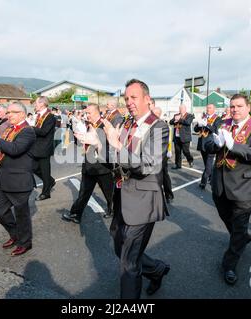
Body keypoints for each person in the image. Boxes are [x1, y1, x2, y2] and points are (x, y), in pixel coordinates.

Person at [87, 79, 170, 299]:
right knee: (118, 246)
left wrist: (117, 145)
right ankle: (156, 269)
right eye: (126, 98)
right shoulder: (126, 123)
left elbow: (148, 165)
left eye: (134, 97)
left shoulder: (158, 126)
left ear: (147, 99)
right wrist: (97, 145)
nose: (129, 102)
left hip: (143, 200)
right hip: (122, 196)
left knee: (129, 262)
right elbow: (115, 159)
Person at [205, 94, 251, 285]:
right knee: (228, 219)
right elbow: (207, 144)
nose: (235, 110)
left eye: (239, 106)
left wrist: (234, 145)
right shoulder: (222, 123)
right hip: (220, 183)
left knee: (240, 224)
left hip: (244, 185)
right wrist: (215, 143)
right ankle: (241, 238)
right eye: (232, 106)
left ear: (248, 108)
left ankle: (230, 264)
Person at [0, 102, 37, 256]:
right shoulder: (10, 129)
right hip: (4, 178)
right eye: (8, 112)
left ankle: (25, 242)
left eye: (13, 112)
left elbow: (14, 149)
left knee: (22, 215)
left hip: (18, 180)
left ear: (23, 114)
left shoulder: (28, 131)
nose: (9, 115)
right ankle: (15, 234)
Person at [62, 103, 114, 223]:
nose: (87, 115)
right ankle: (75, 214)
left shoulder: (105, 125)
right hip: (89, 164)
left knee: (109, 192)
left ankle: (114, 211)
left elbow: (110, 147)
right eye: (86, 113)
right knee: (84, 192)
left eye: (89, 113)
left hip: (102, 166)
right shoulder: (91, 125)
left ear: (96, 112)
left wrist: (96, 143)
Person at [33, 96, 56, 201]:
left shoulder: (50, 117)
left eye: (36, 103)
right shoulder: (38, 116)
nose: (35, 105)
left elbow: (44, 132)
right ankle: (50, 181)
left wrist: (30, 128)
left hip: (44, 148)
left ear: (42, 104)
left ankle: (46, 193)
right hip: (36, 147)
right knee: (33, 167)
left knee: (45, 171)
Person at [194, 104, 222, 190]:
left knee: (208, 165)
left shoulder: (217, 118)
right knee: (206, 163)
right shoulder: (204, 117)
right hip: (202, 143)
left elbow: (215, 130)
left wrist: (207, 124)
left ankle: (203, 182)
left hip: (210, 143)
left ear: (214, 109)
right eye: (207, 108)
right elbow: (195, 129)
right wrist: (199, 125)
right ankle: (211, 177)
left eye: (209, 108)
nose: (207, 109)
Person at [151, 106, 174, 203]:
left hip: (162, 154)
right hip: (151, 154)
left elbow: (169, 139)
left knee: (164, 175)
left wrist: (169, 150)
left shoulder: (162, 124)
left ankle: (168, 194)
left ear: (158, 114)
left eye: (154, 113)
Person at [170, 104, 195, 169]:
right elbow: (170, 122)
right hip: (176, 136)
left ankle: (190, 160)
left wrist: (180, 119)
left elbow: (188, 122)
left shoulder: (189, 115)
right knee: (177, 152)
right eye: (179, 108)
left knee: (185, 151)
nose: (180, 110)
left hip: (185, 137)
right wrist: (174, 120)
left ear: (185, 109)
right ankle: (177, 165)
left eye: (181, 108)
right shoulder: (176, 115)